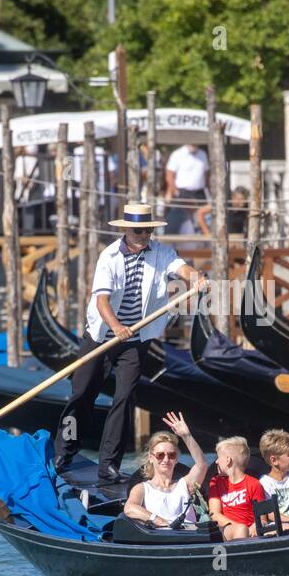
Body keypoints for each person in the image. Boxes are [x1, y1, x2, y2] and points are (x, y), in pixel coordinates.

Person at [53, 201, 209, 487]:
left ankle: (109, 466)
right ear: (127, 230)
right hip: (101, 335)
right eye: (138, 230)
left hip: (136, 339)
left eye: (147, 230)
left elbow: (181, 268)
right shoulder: (109, 256)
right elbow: (101, 300)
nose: (144, 235)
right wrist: (116, 327)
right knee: (82, 394)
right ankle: (64, 451)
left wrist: (196, 278)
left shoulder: (161, 252)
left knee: (124, 399)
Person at [123, 413, 209, 527]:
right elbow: (130, 508)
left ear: (176, 459)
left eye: (171, 455)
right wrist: (158, 520)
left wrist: (186, 436)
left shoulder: (186, 485)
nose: (166, 459)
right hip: (161, 540)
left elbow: (202, 464)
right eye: (160, 455)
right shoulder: (142, 488)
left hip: (189, 539)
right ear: (150, 457)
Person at [206, 436, 265, 540]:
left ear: (228, 460)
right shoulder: (215, 482)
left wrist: (255, 526)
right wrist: (241, 528)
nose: (216, 462)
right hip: (226, 529)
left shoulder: (254, 484)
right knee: (241, 529)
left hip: (251, 531)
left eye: (218, 458)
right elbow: (214, 514)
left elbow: (262, 517)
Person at [164, 143, 209, 234]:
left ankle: (202, 245)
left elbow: (207, 175)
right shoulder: (177, 154)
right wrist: (177, 193)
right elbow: (169, 176)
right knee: (179, 221)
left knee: (202, 221)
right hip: (182, 193)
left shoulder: (203, 154)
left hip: (199, 194)